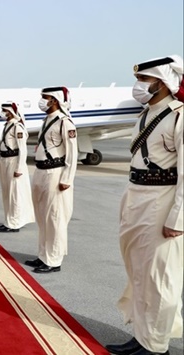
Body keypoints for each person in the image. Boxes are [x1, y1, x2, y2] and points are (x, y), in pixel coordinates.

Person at [105, 55, 184, 355]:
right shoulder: (146, 114)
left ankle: (155, 345)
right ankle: (142, 335)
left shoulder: (179, 116)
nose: (139, 86)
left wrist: (178, 217)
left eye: (145, 80)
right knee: (139, 272)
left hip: (163, 202)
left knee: (160, 277)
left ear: (163, 83)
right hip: (138, 198)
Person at [25, 87, 78, 273]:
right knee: (42, 217)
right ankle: (43, 255)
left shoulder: (65, 123)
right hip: (41, 171)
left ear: (54, 100)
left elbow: (72, 153)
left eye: (45, 98)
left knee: (55, 218)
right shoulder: (46, 120)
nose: (42, 101)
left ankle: (54, 260)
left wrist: (67, 178)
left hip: (55, 173)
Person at [0, 102, 35, 233]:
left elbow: (22, 150)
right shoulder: (7, 125)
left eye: (4, 110)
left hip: (14, 161)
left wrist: (19, 168)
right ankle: (8, 221)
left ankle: (15, 223)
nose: (2, 112)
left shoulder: (17, 127)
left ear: (10, 112)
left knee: (15, 194)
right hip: (5, 160)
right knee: (7, 193)